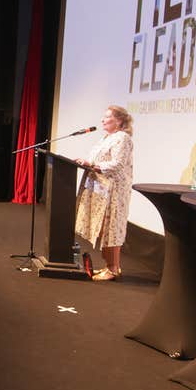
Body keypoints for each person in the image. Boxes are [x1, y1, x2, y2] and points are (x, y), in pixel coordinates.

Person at [73, 105, 135, 281]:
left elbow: (117, 164)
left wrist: (92, 165)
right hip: (102, 189)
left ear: (119, 121)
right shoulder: (107, 137)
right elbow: (97, 159)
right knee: (104, 229)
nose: (103, 119)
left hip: (114, 190)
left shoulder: (122, 138)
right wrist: (87, 162)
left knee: (111, 229)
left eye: (107, 117)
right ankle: (109, 266)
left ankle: (113, 269)